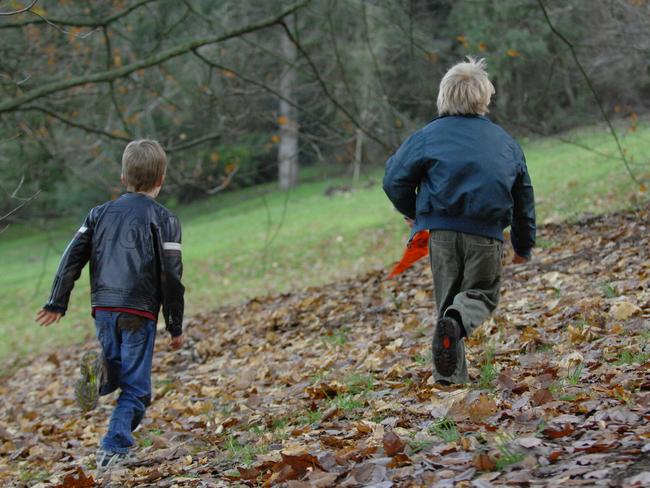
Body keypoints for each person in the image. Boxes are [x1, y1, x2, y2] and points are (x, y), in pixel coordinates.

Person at [383, 57, 535, 385]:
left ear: (443, 96)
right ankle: (455, 324)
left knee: (448, 301)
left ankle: (449, 379)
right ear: (485, 98)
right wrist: (523, 244)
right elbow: (523, 197)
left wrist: (415, 212)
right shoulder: (505, 143)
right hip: (486, 234)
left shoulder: (426, 136)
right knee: (481, 295)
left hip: (442, 234)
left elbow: (394, 179)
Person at [35, 139, 185, 470]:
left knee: (116, 365)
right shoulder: (166, 220)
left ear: (123, 177)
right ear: (161, 179)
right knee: (137, 390)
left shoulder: (98, 214)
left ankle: (99, 375)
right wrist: (175, 324)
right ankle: (113, 447)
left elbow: (71, 257)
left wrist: (57, 302)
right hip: (139, 311)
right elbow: (171, 278)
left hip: (103, 308)